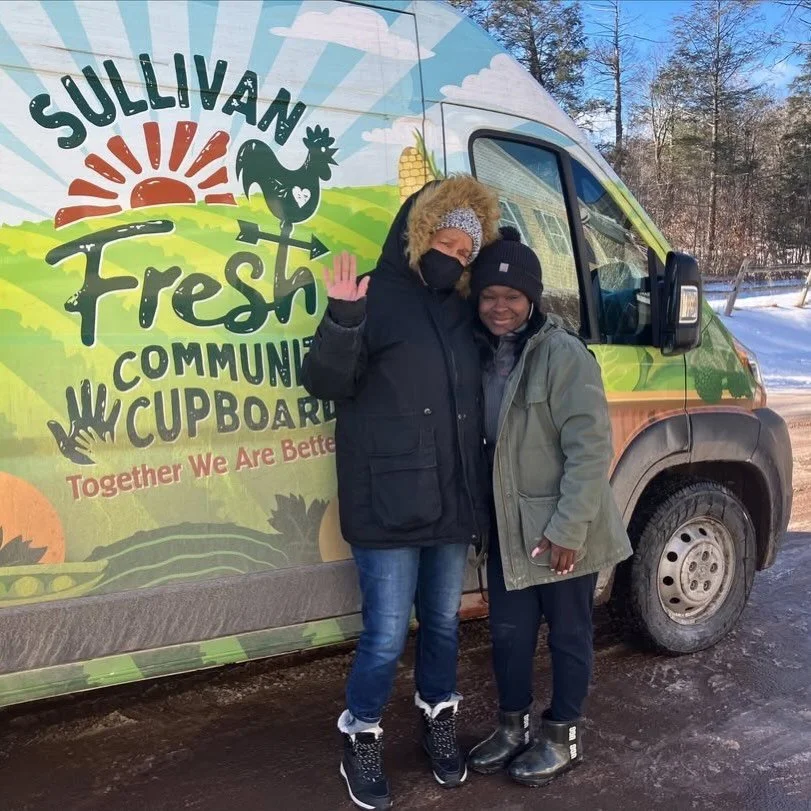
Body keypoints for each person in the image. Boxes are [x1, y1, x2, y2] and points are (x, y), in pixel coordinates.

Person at [301, 175, 501, 810]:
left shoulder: (462, 309)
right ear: (420, 235)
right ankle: (360, 733)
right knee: (386, 635)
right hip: (386, 502)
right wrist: (343, 319)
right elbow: (325, 383)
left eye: (466, 253)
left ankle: (437, 718)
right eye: (447, 243)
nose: (455, 258)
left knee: (442, 624)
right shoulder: (374, 296)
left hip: (451, 498)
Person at [466, 227, 632, 787]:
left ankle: (563, 736)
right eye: (489, 295)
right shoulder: (478, 352)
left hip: (562, 529)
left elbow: (590, 448)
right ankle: (512, 727)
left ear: (532, 299)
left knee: (568, 634)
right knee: (509, 635)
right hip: (509, 526)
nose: (500, 307)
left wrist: (567, 529)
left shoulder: (562, 354)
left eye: (512, 296)